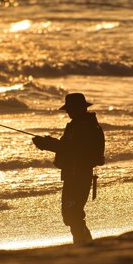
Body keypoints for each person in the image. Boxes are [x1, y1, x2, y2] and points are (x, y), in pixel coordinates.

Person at [32, 93, 105, 244]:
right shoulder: (84, 124)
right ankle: (84, 241)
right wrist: (50, 143)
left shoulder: (84, 127)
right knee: (73, 213)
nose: (68, 113)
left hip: (77, 175)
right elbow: (69, 147)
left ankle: (82, 242)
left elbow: (72, 149)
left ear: (79, 108)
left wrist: (48, 145)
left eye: (70, 109)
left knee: (72, 213)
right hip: (76, 174)